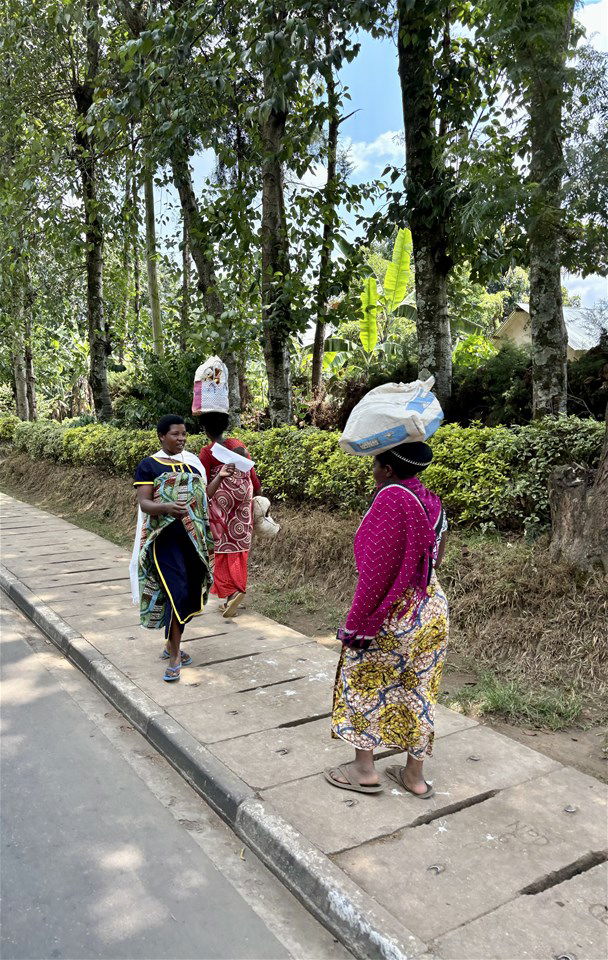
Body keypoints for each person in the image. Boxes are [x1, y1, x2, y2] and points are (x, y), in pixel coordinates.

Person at [326, 441, 448, 797]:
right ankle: (415, 776)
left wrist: (359, 621)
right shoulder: (431, 500)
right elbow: (436, 557)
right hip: (431, 607)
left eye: (375, 464)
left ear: (389, 469)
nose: (373, 470)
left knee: (364, 679)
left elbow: (378, 572)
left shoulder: (391, 498)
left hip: (396, 611)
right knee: (419, 689)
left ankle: (364, 769)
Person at [130, 415, 213, 682]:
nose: (181, 439)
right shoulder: (149, 466)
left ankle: (170, 645)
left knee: (189, 593)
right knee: (175, 591)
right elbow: (145, 504)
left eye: (184, 434)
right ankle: (175, 655)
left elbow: (203, 498)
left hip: (192, 542)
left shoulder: (192, 465)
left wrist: (220, 477)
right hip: (163, 541)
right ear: (161, 436)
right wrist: (166, 508)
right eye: (176, 434)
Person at [198, 412, 262, 618]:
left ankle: (230, 595)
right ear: (225, 426)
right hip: (243, 502)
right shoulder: (238, 444)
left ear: (205, 430)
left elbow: (204, 481)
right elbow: (252, 475)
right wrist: (258, 495)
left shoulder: (207, 452)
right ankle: (236, 590)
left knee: (222, 548)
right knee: (240, 546)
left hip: (220, 504)